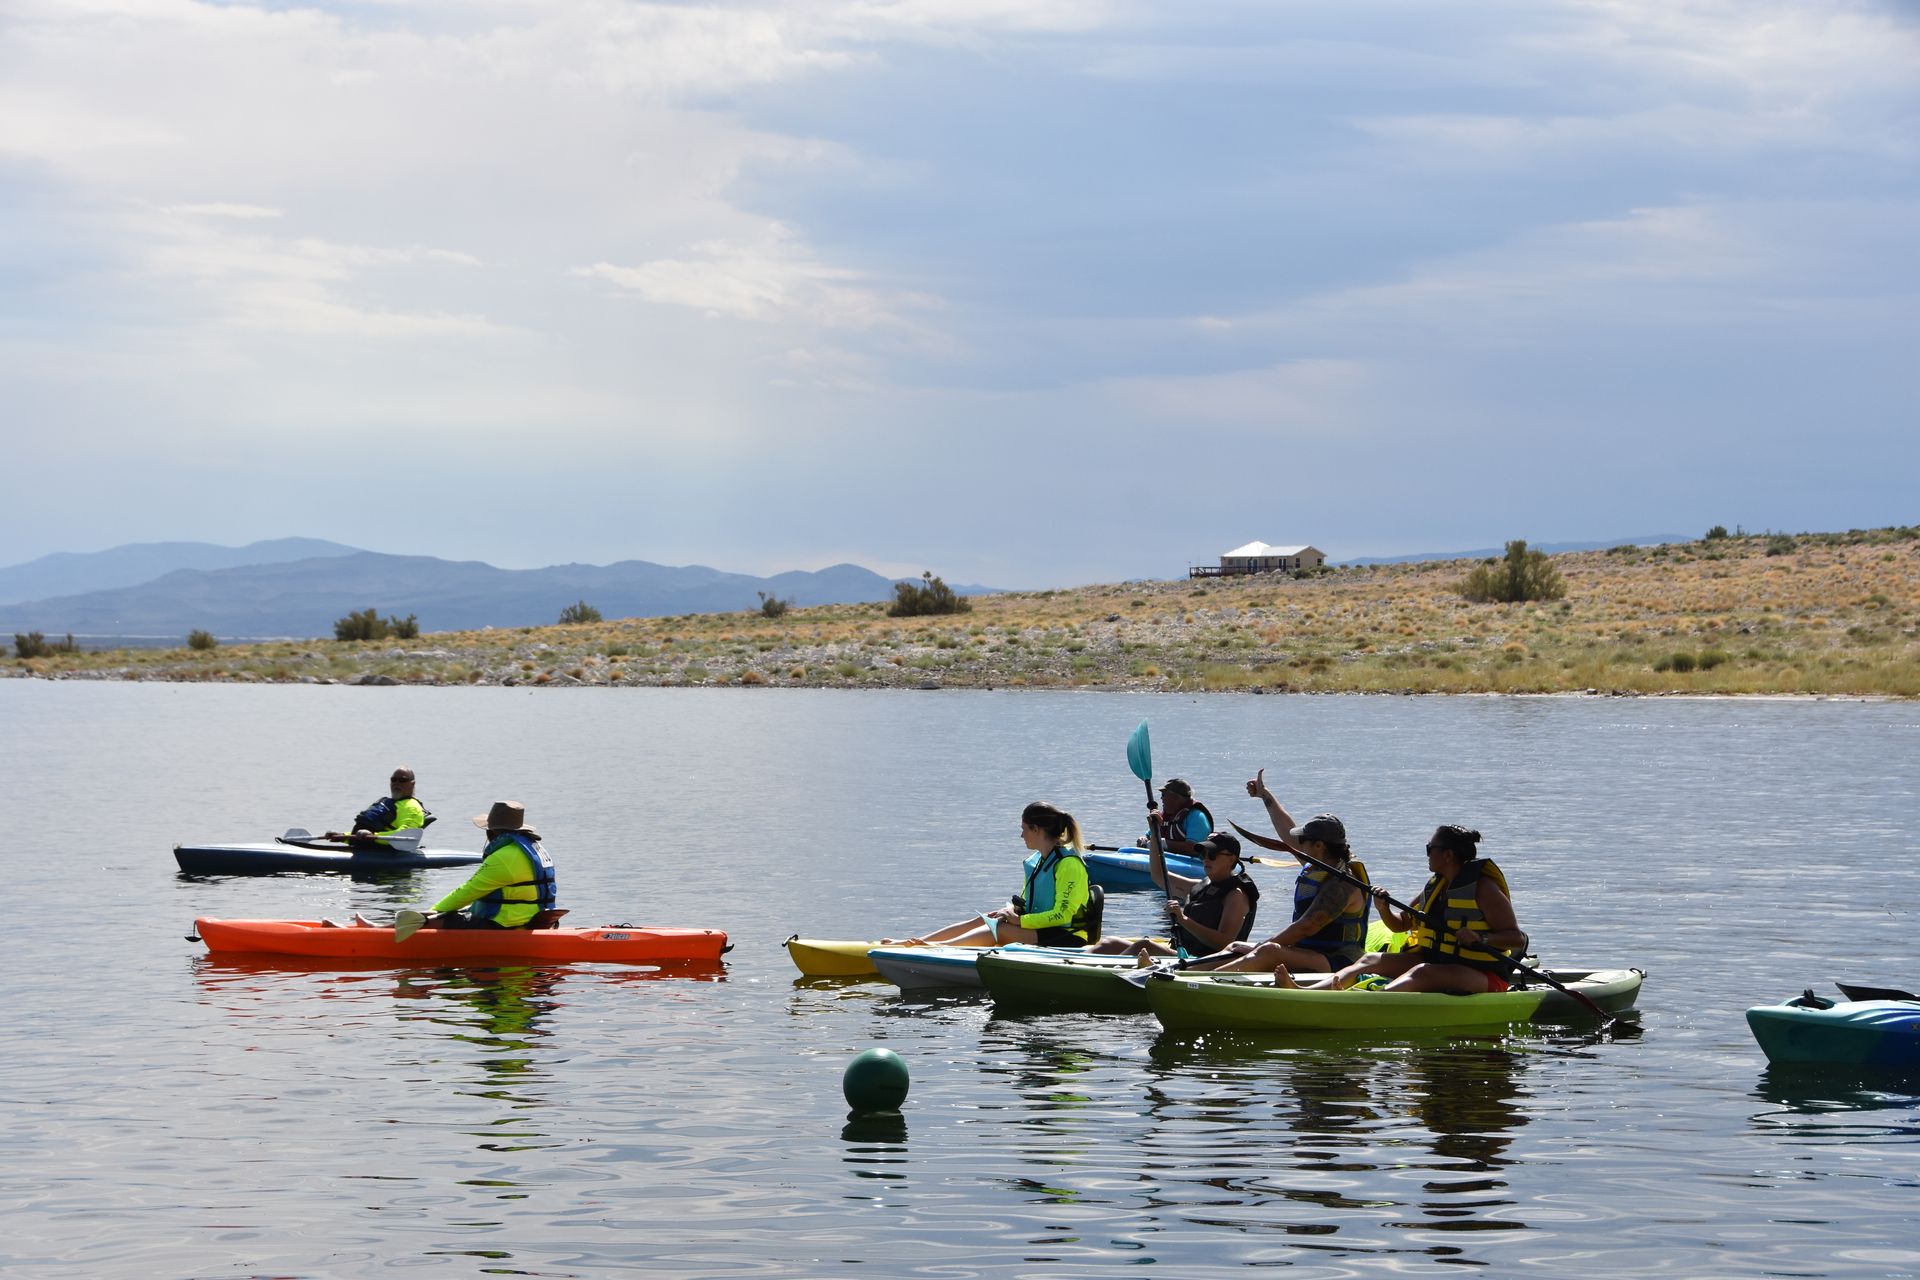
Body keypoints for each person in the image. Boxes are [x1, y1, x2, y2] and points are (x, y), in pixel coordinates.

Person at [1175, 770, 1369, 975]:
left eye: (1303, 840)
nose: (1298, 844)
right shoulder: (1317, 862)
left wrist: (1260, 947)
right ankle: (1184, 970)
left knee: (1269, 951)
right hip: (1308, 952)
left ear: (1319, 845)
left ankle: (1202, 980)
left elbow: (1305, 928)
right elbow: (1287, 834)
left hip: (1339, 961)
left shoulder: (1343, 885)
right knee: (1236, 947)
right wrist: (1264, 795)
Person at [1312, 824, 1526, 994]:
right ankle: (1310, 992)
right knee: (1370, 959)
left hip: (1484, 974)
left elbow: (1516, 938)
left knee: (1423, 972)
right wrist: (1383, 908)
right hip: (1440, 961)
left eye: (1430, 849)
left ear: (1448, 855)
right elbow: (1400, 925)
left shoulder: (1484, 888)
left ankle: (1373, 1000)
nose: (1427, 855)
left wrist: (1481, 939)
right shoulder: (1437, 886)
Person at [888, 802, 1095, 948]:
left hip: (1067, 937)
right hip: (1044, 930)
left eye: (1024, 829)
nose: (1021, 835)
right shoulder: (1038, 860)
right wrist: (1012, 913)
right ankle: (917, 942)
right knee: (989, 917)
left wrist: (1019, 922)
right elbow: (1032, 904)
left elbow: (1063, 915)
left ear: (1037, 830)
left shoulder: (1068, 865)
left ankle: (936, 948)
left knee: (998, 929)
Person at [1087, 827, 1259, 959]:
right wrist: (1155, 835)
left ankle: (1099, 979)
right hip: (1183, 953)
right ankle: (1075, 967)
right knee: (1109, 944)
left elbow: (1225, 942)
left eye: (1212, 854)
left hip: (1205, 961)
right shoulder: (1201, 886)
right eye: (1203, 854)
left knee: (1143, 946)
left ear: (1231, 859)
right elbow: (1158, 875)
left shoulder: (1236, 895)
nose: (1206, 858)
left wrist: (1183, 920)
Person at [394, 800, 556, 937]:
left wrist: (429, 913)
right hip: (535, 921)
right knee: (460, 911)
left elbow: (467, 892)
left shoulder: (503, 857)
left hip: (506, 926)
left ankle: (387, 933)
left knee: (444, 919)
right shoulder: (536, 849)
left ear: (491, 832)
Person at [325, 767, 432, 844]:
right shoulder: (385, 802)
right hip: (365, 848)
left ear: (412, 784)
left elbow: (405, 835)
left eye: (402, 780)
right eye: (393, 780)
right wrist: (343, 836)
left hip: (386, 853)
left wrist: (374, 837)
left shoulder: (412, 807)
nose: (397, 783)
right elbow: (365, 831)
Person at [1143, 778, 1214, 856]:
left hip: (1191, 863)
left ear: (1176, 797)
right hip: (1165, 860)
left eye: (1164, 795)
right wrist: (1143, 839)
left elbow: (1194, 847)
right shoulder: (1163, 816)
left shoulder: (1197, 817)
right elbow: (1148, 836)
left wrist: (1163, 843)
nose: (1161, 798)